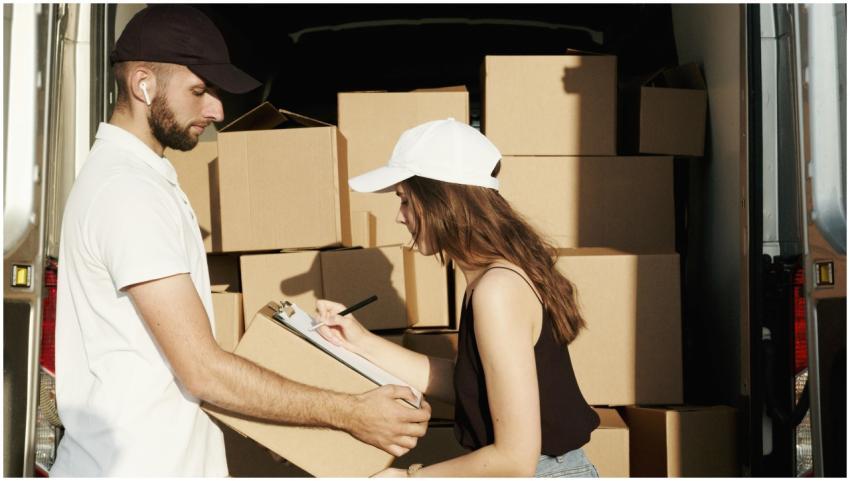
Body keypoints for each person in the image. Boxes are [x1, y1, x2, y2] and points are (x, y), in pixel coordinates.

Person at [52, 5, 429, 477]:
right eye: (199, 90)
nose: (216, 110)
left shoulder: (144, 181)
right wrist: (351, 413)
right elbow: (202, 370)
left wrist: (285, 413)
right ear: (142, 84)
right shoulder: (128, 192)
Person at [315, 118, 601, 477]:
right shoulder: (491, 280)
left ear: (441, 200)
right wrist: (359, 341)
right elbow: (470, 383)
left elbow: (515, 460)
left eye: (404, 200)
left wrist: (408, 478)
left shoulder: (497, 291)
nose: (399, 217)